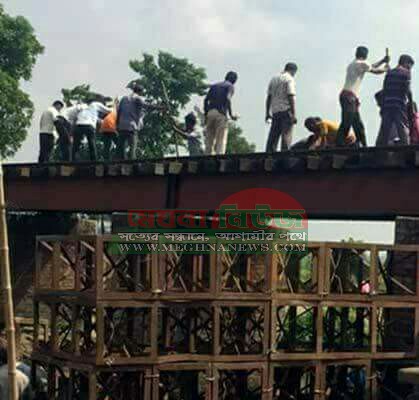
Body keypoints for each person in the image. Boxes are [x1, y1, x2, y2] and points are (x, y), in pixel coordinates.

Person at [336, 46, 389, 147]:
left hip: (348, 97)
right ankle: (339, 143)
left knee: (357, 123)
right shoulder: (362, 63)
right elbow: (375, 70)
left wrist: (382, 61)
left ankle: (362, 144)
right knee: (347, 121)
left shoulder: (354, 64)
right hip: (349, 97)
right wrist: (385, 69)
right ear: (366, 55)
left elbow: (370, 66)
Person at [116, 82, 164, 160]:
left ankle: (121, 161)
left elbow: (119, 112)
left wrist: (117, 124)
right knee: (132, 147)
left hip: (122, 125)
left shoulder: (124, 98)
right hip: (131, 126)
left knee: (121, 148)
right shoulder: (137, 98)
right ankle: (131, 162)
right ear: (140, 92)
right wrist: (161, 108)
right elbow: (147, 106)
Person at [376, 55, 415, 146]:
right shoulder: (406, 73)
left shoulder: (389, 73)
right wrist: (410, 103)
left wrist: (383, 105)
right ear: (406, 63)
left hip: (387, 105)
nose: (410, 68)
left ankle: (379, 152)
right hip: (399, 105)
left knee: (384, 130)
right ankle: (407, 152)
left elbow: (384, 90)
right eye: (410, 66)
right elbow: (408, 90)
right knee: (403, 129)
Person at [265, 63, 298, 152]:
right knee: (286, 136)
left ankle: (269, 155)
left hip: (275, 111)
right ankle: (284, 157)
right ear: (293, 71)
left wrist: (267, 113)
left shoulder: (274, 79)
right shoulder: (289, 79)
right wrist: (294, 114)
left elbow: (269, 97)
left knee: (273, 136)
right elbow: (290, 95)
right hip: (286, 111)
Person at [204, 71, 238, 155]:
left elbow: (206, 100)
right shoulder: (230, 86)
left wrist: (206, 113)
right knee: (221, 138)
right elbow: (228, 98)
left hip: (210, 112)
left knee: (209, 138)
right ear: (234, 80)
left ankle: (207, 155)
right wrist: (231, 114)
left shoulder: (215, 85)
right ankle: (219, 156)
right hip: (220, 113)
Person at [72, 96, 111, 161]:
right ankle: (94, 160)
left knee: (76, 144)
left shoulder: (83, 107)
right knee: (91, 143)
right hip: (89, 126)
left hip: (79, 125)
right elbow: (108, 111)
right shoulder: (95, 104)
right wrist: (116, 107)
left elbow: (96, 119)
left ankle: (73, 160)